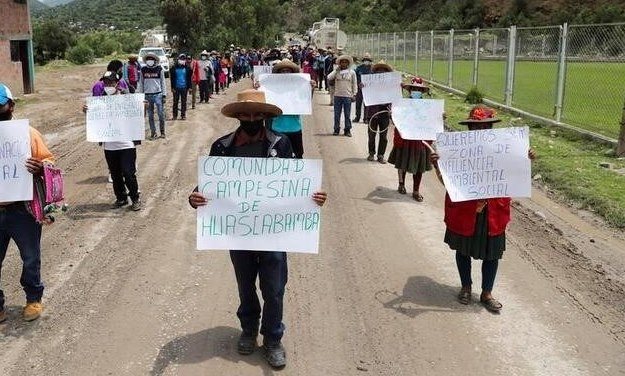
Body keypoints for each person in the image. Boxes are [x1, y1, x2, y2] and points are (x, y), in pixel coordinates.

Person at [188, 89, 328, 369]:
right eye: (245, 114)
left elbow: (296, 183)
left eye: (256, 114)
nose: (251, 118)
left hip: (274, 233)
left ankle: (273, 338)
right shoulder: (222, 147)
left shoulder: (283, 144)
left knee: (274, 288)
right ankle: (249, 330)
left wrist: (313, 197)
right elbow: (208, 188)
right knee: (245, 284)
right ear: (238, 116)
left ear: (264, 116)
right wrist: (195, 197)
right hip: (238, 232)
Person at [430, 106, 536, 313]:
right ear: (469, 128)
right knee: (463, 250)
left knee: (492, 254)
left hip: (494, 211)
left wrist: (526, 159)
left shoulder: (504, 149)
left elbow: (516, 175)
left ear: (492, 128)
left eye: (485, 126)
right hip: (465, 211)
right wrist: (437, 165)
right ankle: (466, 287)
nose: (480, 130)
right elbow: (447, 182)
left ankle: (487, 293)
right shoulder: (458, 151)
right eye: (475, 127)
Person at [0, 82, 55, 322]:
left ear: (11, 106)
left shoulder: (28, 134)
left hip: (22, 211)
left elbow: (51, 164)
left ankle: (33, 298)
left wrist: (40, 168)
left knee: (30, 257)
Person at [84, 71, 142, 211]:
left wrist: (141, 107)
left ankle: (135, 198)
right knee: (115, 174)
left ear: (117, 84)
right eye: (106, 83)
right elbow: (96, 119)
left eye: (111, 83)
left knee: (128, 173)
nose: (108, 85)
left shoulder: (128, 98)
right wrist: (87, 111)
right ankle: (121, 198)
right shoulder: (99, 101)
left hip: (126, 144)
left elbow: (137, 116)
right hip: (110, 146)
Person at [388, 77, 433, 201]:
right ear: (410, 90)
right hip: (406, 138)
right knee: (403, 161)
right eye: (414, 89)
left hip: (420, 140)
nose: (416, 91)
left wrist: (440, 118)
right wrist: (392, 115)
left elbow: (433, 121)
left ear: (422, 92)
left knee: (419, 165)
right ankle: (401, 184)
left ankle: (416, 190)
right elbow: (397, 120)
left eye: (419, 89)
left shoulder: (429, 107)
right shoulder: (403, 104)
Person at [265, 59, 315, 159]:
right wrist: (259, 87)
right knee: (277, 158)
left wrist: (311, 88)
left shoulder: (298, 88)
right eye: (282, 71)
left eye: (288, 71)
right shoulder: (271, 88)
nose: (285, 73)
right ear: (278, 74)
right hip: (277, 129)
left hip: (295, 128)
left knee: (297, 157)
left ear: (292, 73)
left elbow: (306, 101)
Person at [363, 61, 393, 163]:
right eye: (379, 70)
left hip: (384, 112)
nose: (381, 72)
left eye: (383, 71)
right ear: (375, 72)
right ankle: (371, 153)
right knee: (371, 135)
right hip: (372, 112)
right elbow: (363, 90)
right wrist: (362, 86)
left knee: (383, 136)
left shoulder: (391, 84)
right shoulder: (370, 82)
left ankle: (381, 155)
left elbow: (396, 96)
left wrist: (399, 87)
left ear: (386, 73)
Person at [138, 52, 167, 139]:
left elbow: (163, 82)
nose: (149, 60)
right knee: (150, 115)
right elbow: (141, 83)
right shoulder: (143, 70)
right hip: (147, 96)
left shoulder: (159, 69)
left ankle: (162, 132)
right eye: (148, 59)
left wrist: (164, 95)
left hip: (158, 94)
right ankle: (153, 132)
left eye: (151, 59)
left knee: (161, 114)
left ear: (154, 60)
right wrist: (141, 96)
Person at [327, 55, 357, 137]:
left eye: (345, 62)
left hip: (347, 96)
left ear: (348, 63)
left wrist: (354, 94)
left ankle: (347, 130)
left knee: (347, 114)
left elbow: (354, 84)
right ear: (339, 63)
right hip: (337, 96)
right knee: (337, 114)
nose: (343, 63)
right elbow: (329, 77)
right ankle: (336, 129)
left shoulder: (352, 72)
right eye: (342, 62)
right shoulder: (336, 71)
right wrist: (336, 70)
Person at [170, 54, 192, 120]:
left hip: (184, 88)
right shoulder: (173, 68)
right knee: (175, 102)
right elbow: (172, 79)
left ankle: (183, 115)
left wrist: (190, 87)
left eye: (183, 59)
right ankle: (174, 115)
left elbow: (189, 79)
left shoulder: (187, 68)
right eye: (181, 59)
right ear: (178, 59)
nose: (182, 60)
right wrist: (172, 87)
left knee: (184, 102)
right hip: (176, 88)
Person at [353, 53, 373, 123]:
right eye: (365, 60)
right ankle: (357, 117)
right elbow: (354, 77)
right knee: (358, 103)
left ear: (370, 61)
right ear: (363, 60)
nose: (366, 61)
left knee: (367, 104)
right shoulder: (359, 68)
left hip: (368, 90)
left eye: (368, 60)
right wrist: (358, 84)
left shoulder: (372, 69)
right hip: (359, 89)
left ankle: (366, 118)